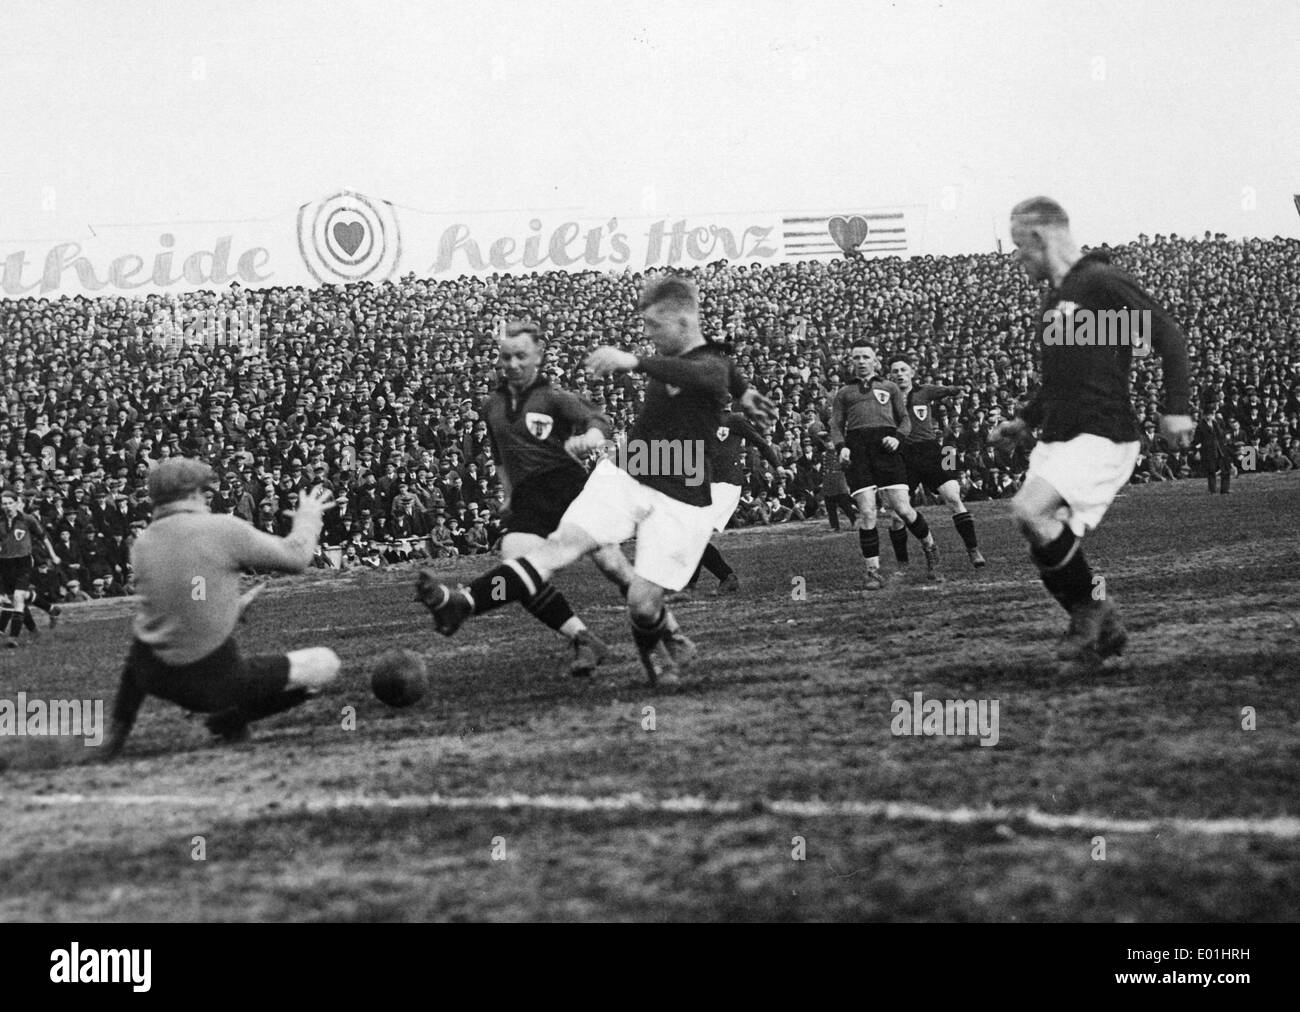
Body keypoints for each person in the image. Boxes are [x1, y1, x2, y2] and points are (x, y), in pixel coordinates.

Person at [416, 276, 747, 686]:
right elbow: (501, 455)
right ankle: (567, 633)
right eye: (505, 357)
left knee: (622, 577)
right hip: (540, 496)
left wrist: (592, 435)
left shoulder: (555, 397)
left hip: (573, 485)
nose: (513, 365)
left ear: (538, 357)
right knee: (529, 561)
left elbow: (600, 420)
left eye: (521, 356)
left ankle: (670, 636)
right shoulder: (492, 405)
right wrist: (509, 493)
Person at [991, 197, 1192, 674]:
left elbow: (1168, 337)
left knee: (1030, 510)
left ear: (1040, 237)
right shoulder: (1056, 300)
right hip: (1061, 436)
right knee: (1037, 531)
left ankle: (1092, 616)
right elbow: (1060, 380)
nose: (1016, 257)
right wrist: (1025, 421)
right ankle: (1105, 629)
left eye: (1019, 246)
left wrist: (1177, 409)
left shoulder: (1099, 282)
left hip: (1102, 431)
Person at [101, 458, 342, 758]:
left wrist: (230, 607)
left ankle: (116, 734)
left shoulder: (143, 543)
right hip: (214, 680)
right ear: (192, 493)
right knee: (326, 663)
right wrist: (308, 518)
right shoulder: (221, 528)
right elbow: (297, 558)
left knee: (146, 643)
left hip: (152, 674)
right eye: (204, 491)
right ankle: (229, 720)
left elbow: (179, 604)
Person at [830, 344, 942, 590]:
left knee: (902, 509)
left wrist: (898, 438)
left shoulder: (889, 387)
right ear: (851, 361)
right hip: (858, 452)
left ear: (875, 361)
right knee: (867, 512)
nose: (861, 361)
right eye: (856, 357)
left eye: (866, 357)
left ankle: (930, 549)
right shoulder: (844, 392)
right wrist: (841, 447)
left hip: (886, 449)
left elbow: (905, 420)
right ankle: (873, 572)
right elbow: (836, 425)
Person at [668, 402, 781, 601]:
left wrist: (778, 466)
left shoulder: (735, 420)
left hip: (727, 484)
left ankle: (700, 583)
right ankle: (714, 580)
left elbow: (761, 443)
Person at [886, 357, 986, 568]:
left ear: (912, 373)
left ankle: (973, 549)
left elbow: (950, 390)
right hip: (902, 455)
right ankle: (902, 563)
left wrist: (959, 388)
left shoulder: (925, 391)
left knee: (953, 498)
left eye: (903, 370)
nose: (900, 374)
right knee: (896, 516)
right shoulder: (886, 397)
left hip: (930, 451)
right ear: (890, 375)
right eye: (895, 371)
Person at [0, 489, 62, 648]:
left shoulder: (28, 519)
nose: (7, 506)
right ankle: (49, 611)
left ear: (16, 503)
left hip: (24, 562)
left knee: (18, 597)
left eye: (9, 503)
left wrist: (53, 555)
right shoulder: (0, 520)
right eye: (4, 504)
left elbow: (44, 538)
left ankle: (13, 637)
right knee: (16, 597)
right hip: (5, 563)